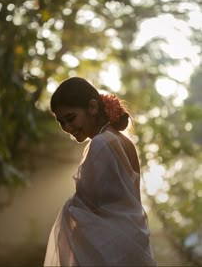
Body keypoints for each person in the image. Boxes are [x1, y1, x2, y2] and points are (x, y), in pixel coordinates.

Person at [44, 77, 156, 266]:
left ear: (93, 107)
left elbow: (86, 205)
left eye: (71, 118)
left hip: (112, 251)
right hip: (132, 243)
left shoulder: (101, 143)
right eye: (62, 122)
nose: (67, 128)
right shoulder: (124, 140)